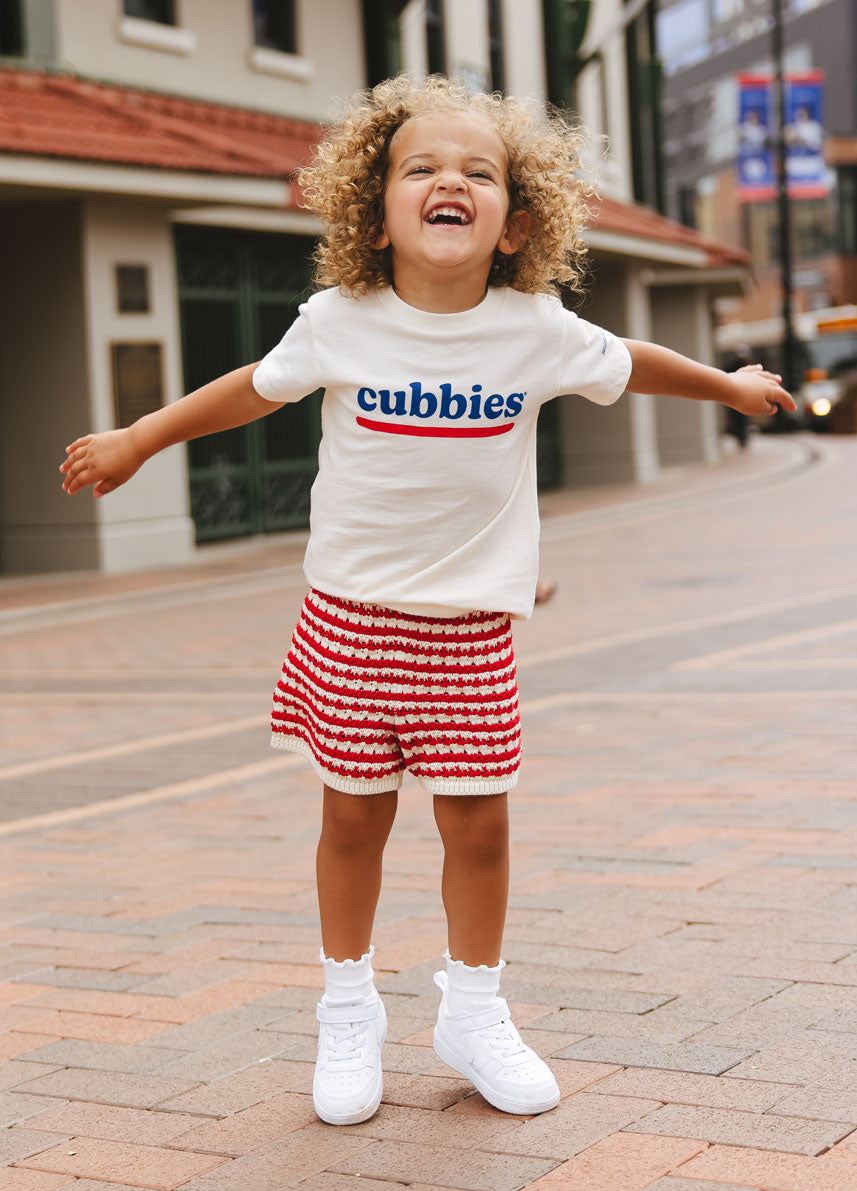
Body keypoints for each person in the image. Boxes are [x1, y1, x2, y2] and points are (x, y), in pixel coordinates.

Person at [59, 75, 794, 1127]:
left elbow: (630, 362)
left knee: (479, 826)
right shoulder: (339, 321)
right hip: (350, 621)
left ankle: (473, 1012)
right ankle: (347, 1008)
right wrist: (140, 438)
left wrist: (726, 386)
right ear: (376, 213)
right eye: (422, 168)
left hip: (469, 630)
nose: (450, 181)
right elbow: (250, 388)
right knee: (353, 818)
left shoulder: (533, 329)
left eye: (477, 172)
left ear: (514, 224)